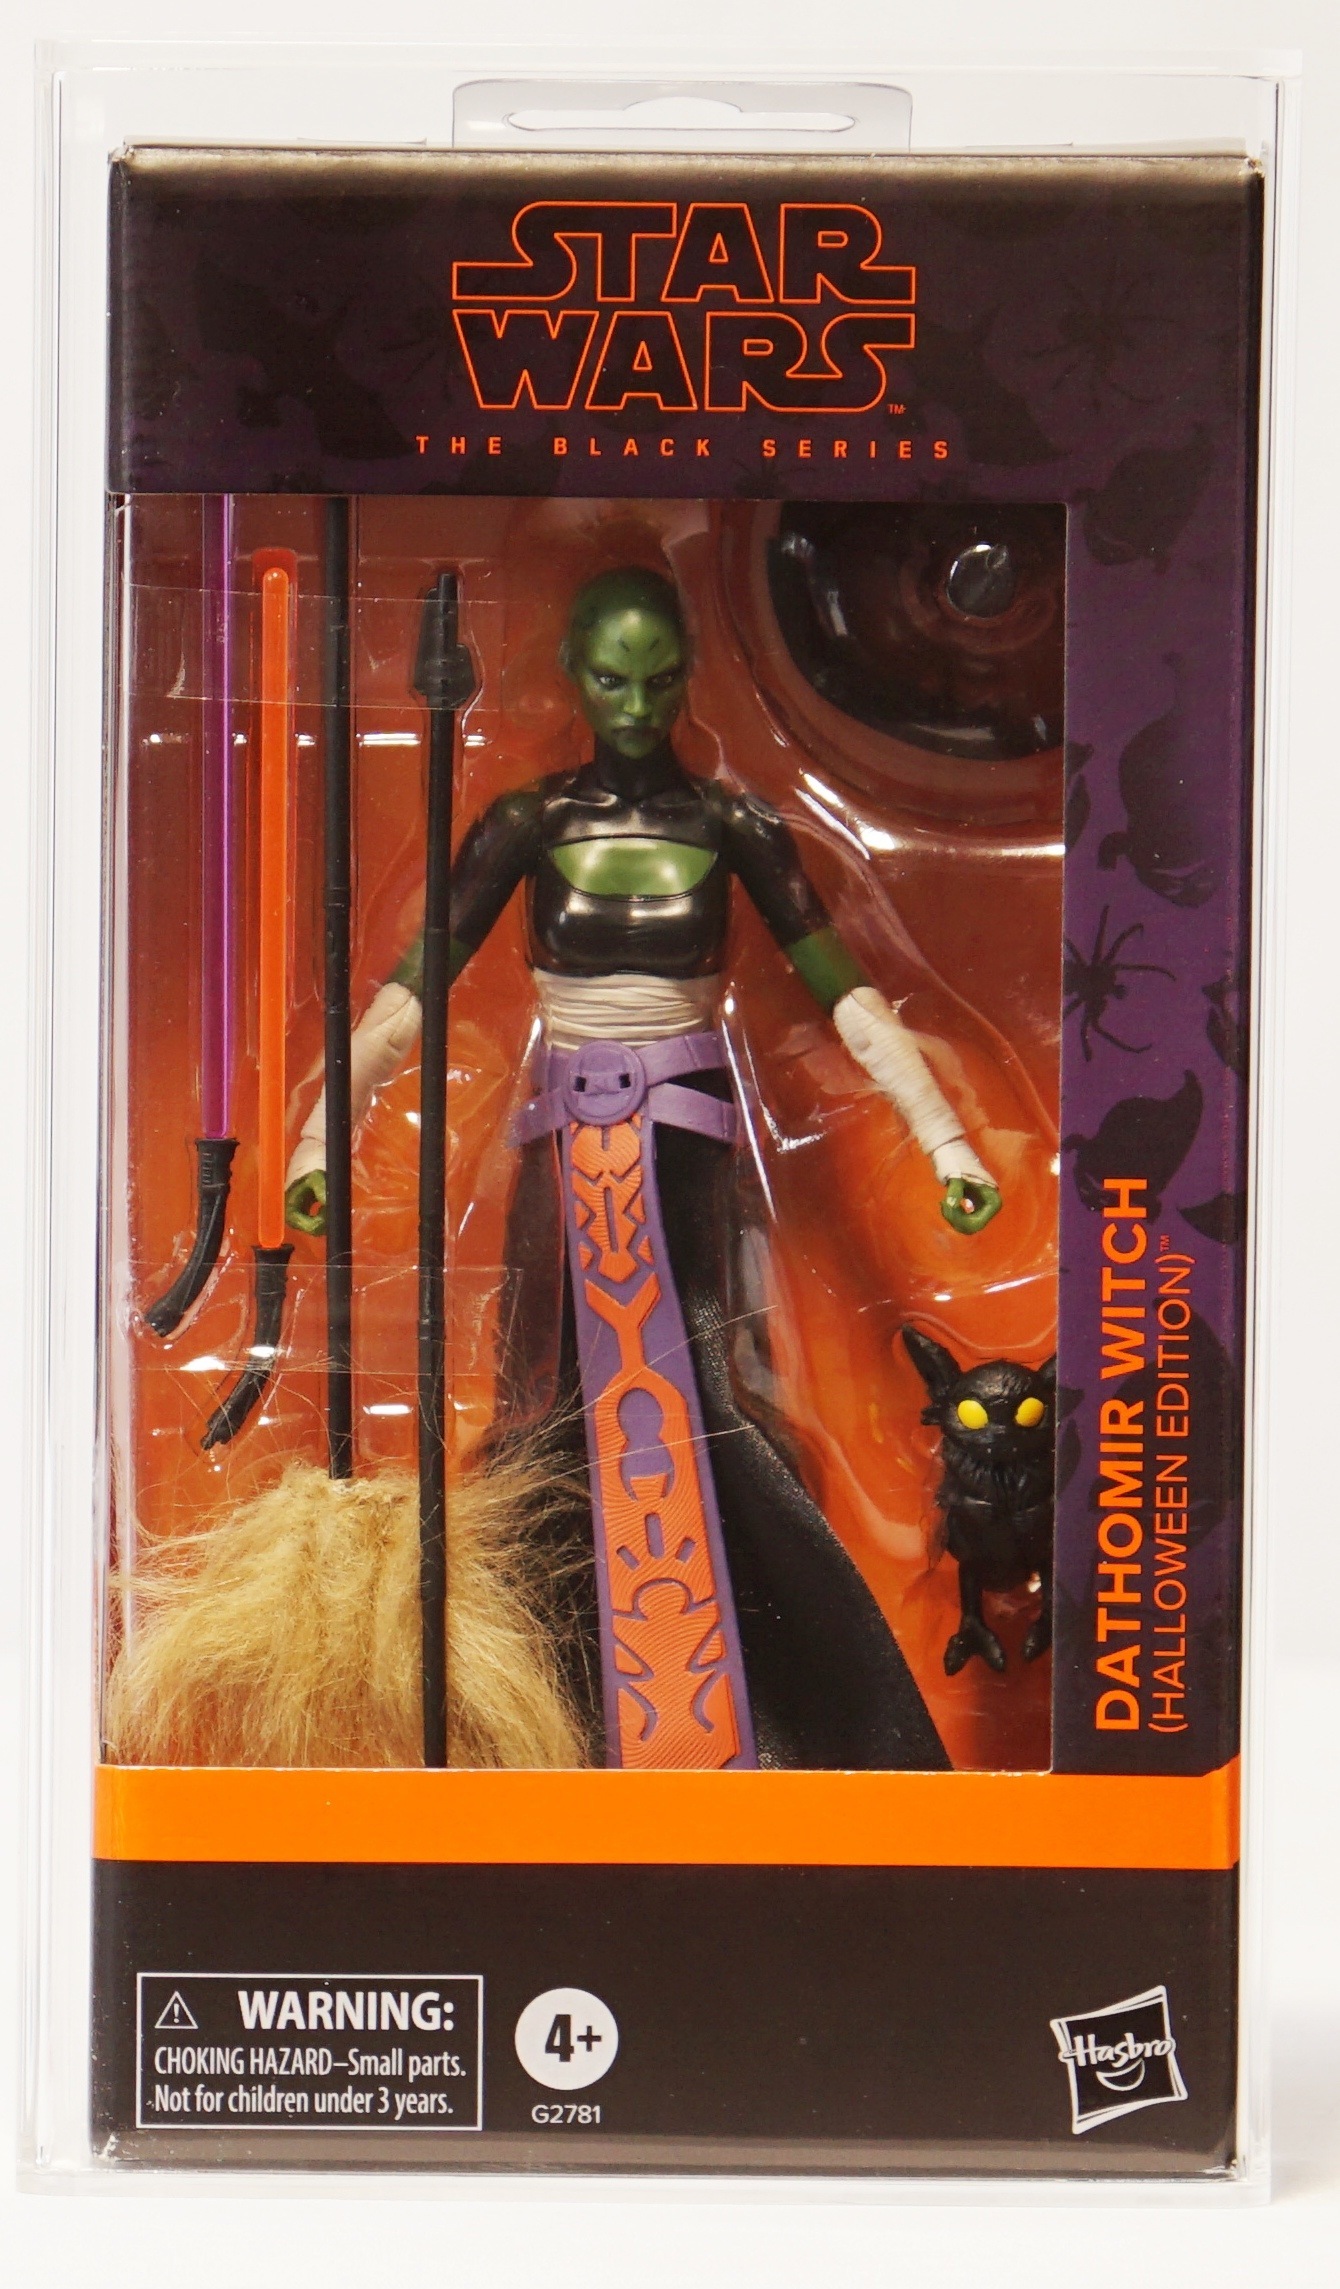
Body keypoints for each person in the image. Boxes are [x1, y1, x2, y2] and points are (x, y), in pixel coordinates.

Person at [286, 566, 1002, 1773]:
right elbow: (411, 997)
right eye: (612, 679)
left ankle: (787, 1720)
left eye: (659, 679)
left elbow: (850, 999)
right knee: (547, 1412)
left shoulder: (734, 827)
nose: (634, 704)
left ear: (687, 678)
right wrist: (323, 1135)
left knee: (711, 1397)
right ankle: (531, 1713)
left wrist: (943, 1138)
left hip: (685, 1155)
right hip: (565, 1150)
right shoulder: (527, 825)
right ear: (574, 674)